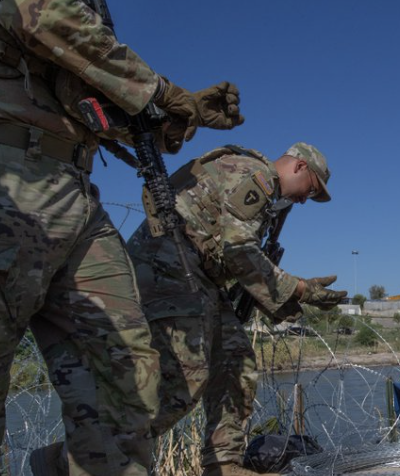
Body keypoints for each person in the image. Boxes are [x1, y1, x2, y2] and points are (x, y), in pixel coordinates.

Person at [0, 1, 243, 475]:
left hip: (75, 189)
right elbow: (47, 18)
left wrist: (182, 114)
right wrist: (163, 92)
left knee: (128, 375)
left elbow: (93, 98)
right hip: (6, 174)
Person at [126, 142, 347, 476]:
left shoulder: (268, 198)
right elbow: (239, 251)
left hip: (199, 275)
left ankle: (223, 465)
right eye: (309, 191)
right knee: (185, 377)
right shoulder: (255, 175)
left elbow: (237, 258)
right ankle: (93, 450)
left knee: (236, 362)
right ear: (300, 167)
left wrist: (279, 298)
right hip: (169, 261)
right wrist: (301, 289)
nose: (304, 200)